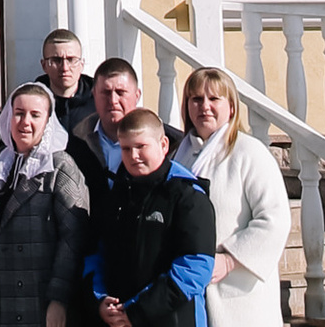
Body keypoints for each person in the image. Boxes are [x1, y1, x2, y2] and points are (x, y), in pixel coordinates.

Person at [81, 112, 214, 327]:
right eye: (126, 148)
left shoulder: (188, 196)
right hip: (120, 319)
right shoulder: (115, 195)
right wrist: (99, 300)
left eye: (141, 146)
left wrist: (139, 310)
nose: (134, 156)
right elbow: (95, 254)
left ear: (163, 144)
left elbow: (196, 268)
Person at [175, 70, 286, 327]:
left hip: (241, 298)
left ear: (232, 107)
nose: (205, 106)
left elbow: (275, 219)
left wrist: (229, 260)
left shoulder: (250, 153)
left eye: (214, 98)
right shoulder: (180, 155)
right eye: (196, 99)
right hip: (192, 294)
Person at [0, 83, 89, 327]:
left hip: (41, 297)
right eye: (19, 113)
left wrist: (59, 299)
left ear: (47, 121)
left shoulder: (61, 166)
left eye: (35, 115)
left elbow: (73, 239)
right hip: (3, 296)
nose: (25, 122)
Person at [66, 65, 181, 231]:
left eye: (121, 92)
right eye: (105, 92)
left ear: (137, 95)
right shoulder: (75, 144)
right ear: (94, 95)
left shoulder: (172, 144)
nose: (113, 100)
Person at [36, 33, 91, 137]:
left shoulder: (100, 101)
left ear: (81, 64)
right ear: (44, 65)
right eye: (56, 60)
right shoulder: (30, 103)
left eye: (71, 60)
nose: (65, 68)